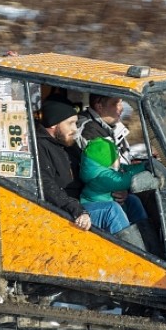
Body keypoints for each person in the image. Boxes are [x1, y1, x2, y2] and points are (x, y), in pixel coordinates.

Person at [35, 98, 127, 233]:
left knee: (132, 202)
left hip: (81, 203)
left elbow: (91, 173)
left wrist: (116, 188)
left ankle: (152, 251)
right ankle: (130, 254)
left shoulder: (68, 145)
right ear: (54, 124)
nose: (75, 129)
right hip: (62, 211)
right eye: (70, 123)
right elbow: (47, 185)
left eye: (76, 123)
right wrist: (77, 209)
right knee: (111, 211)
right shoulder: (40, 147)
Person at [79, 138, 149, 233]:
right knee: (113, 209)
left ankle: (146, 234)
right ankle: (129, 244)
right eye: (116, 156)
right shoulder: (103, 177)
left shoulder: (106, 169)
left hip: (104, 204)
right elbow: (124, 181)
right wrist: (145, 167)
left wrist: (143, 165)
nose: (119, 158)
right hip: (92, 209)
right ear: (107, 161)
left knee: (133, 200)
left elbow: (127, 169)